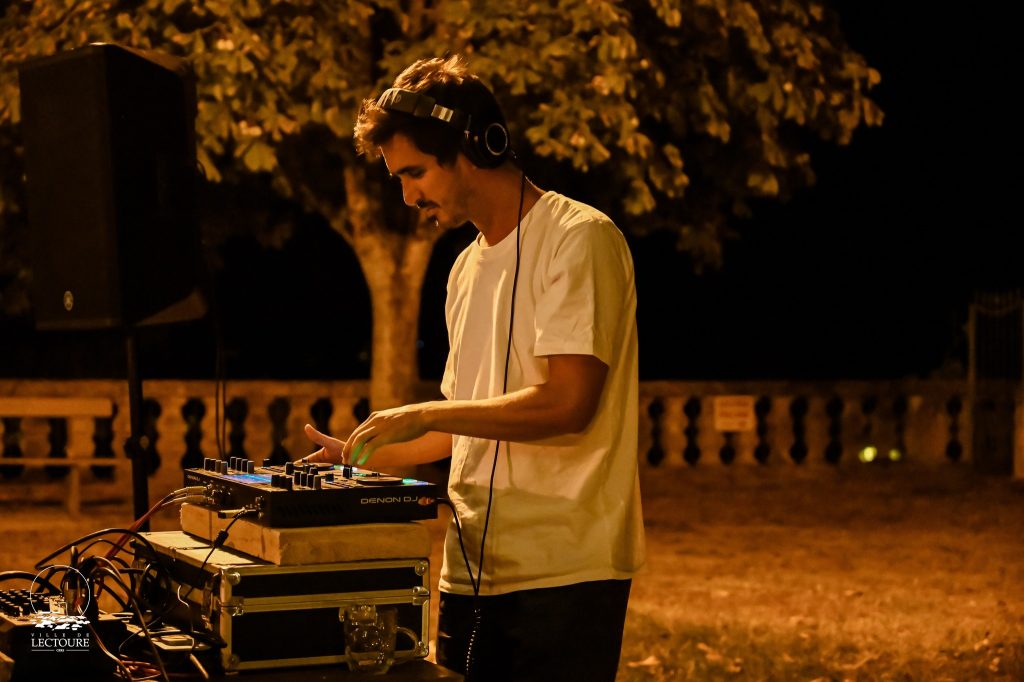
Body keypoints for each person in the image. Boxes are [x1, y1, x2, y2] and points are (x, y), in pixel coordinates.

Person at [303, 55, 645, 681]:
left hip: (566, 574)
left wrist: (421, 411)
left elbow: (569, 402)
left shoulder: (579, 239)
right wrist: (362, 457)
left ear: (474, 147)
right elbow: (461, 426)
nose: (408, 196)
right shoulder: (463, 269)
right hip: (468, 572)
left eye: (415, 173)